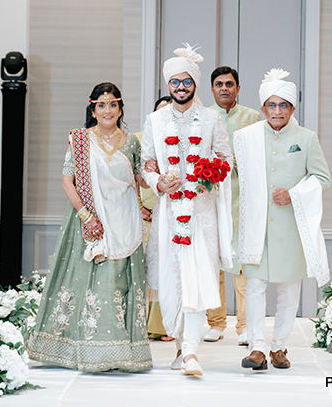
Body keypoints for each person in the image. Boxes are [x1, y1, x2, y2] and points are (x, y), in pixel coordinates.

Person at [26, 82, 152, 373]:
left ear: (120, 108)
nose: (108, 111)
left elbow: (138, 179)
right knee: (90, 283)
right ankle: (83, 349)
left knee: (120, 283)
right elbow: (67, 182)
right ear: (93, 109)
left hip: (125, 220)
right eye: (101, 105)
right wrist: (86, 215)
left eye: (113, 105)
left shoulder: (132, 141)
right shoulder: (81, 141)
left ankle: (122, 351)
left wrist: (161, 177)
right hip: (90, 221)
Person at [141, 44, 234, 377]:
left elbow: (226, 159)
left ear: (195, 83)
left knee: (197, 276)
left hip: (202, 211)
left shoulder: (210, 119)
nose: (180, 87)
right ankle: (180, 345)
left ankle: (192, 351)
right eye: (174, 82)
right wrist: (156, 182)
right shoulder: (155, 120)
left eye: (186, 82)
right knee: (171, 278)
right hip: (169, 213)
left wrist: (210, 174)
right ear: (168, 85)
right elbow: (147, 163)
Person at [234, 68, 331, 371]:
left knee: (289, 290)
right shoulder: (245, 138)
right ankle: (257, 348)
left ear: (291, 108)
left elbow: (322, 177)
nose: (277, 111)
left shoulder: (305, 138)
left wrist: (294, 194)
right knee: (255, 287)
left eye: (283, 105)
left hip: (291, 226)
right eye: (271, 105)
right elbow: (232, 176)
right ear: (263, 108)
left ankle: (279, 346)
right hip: (256, 226)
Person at [204, 66, 260, 345]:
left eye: (229, 84)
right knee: (213, 261)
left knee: (241, 265)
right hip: (210, 198)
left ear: (238, 88)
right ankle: (215, 322)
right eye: (218, 84)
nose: (224, 88)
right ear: (211, 89)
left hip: (242, 200)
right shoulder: (203, 118)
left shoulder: (252, 118)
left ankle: (245, 325)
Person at [134, 95, 173, 342]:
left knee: (166, 267)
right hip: (141, 212)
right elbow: (129, 175)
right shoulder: (140, 139)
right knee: (142, 268)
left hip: (168, 211)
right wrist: (137, 207)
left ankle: (165, 325)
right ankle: (139, 323)